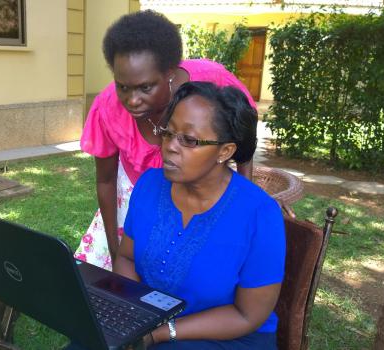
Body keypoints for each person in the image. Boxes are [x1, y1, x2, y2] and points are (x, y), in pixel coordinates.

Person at [75, 10, 256, 270]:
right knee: (99, 283)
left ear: (170, 72)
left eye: (146, 87)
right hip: (133, 197)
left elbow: (244, 137)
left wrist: (241, 199)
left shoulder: (211, 81)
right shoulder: (107, 108)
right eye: (122, 86)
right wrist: (115, 253)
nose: (132, 100)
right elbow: (105, 181)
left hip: (200, 195)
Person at [114, 81, 285, 349]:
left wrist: (158, 333)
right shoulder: (149, 185)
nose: (170, 146)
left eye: (189, 140)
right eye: (168, 133)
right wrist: (133, 315)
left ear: (225, 151)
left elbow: (247, 314)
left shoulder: (260, 215)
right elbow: (125, 257)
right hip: (151, 320)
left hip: (229, 335)